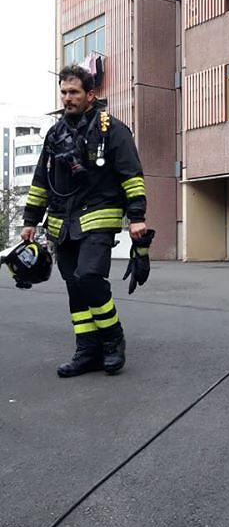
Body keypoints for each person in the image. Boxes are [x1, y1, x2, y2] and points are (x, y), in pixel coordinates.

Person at [21, 65, 148, 378]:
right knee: (75, 287)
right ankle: (86, 351)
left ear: (91, 94)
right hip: (62, 222)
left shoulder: (113, 130)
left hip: (98, 216)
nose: (67, 98)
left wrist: (137, 218)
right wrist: (30, 220)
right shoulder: (55, 134)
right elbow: (41, 181)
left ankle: (113, 340)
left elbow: (131, 176)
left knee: (89, 276)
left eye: (74, 92)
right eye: (64, 92)